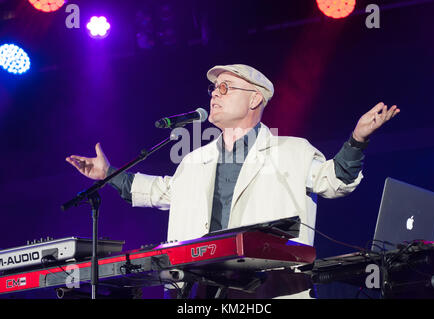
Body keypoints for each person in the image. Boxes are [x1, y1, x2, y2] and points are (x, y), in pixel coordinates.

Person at [66, 64, 400, 298]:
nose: (215, 94)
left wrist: (357, 140)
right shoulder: (195, 160)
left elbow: (334, 181)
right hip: (199, 290)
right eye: (214, 88)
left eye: (225, 88)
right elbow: (160, 191)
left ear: (255, 99)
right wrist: (108, 173)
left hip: (267, 290)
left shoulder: (292, 150)